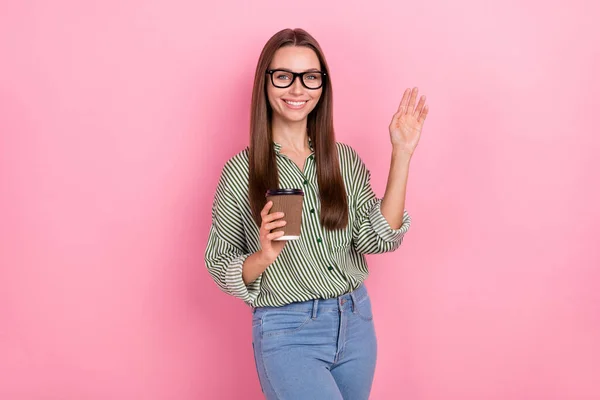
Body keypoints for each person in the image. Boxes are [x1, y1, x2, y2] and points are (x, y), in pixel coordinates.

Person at [205, 28, 428, 400]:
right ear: (265, 83)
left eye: (310, 77)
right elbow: (218, 261)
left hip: (355, 322)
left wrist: (402, 153)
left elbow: (377, 237)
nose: (297, 89)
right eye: (283, 76)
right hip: (287, 330)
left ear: (322, 85)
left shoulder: (342, 160)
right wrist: (262, 256)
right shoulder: (240, 172)